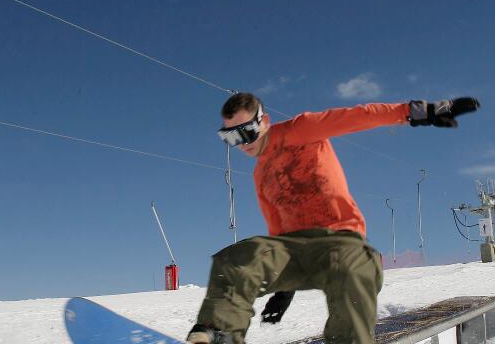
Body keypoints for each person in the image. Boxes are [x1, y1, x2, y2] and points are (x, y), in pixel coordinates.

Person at [186, 93, 479, 344]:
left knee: (350, 267)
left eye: (246, 133)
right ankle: (218, 333)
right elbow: (277, 230)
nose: (241, 144)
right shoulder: (260, 174)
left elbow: (358, 116)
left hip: (340, 240)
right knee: (239, 256)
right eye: (230, 137)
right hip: (294, 251)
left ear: (264, 121)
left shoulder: (301, 129)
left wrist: (420, 112)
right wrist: (284, 289)